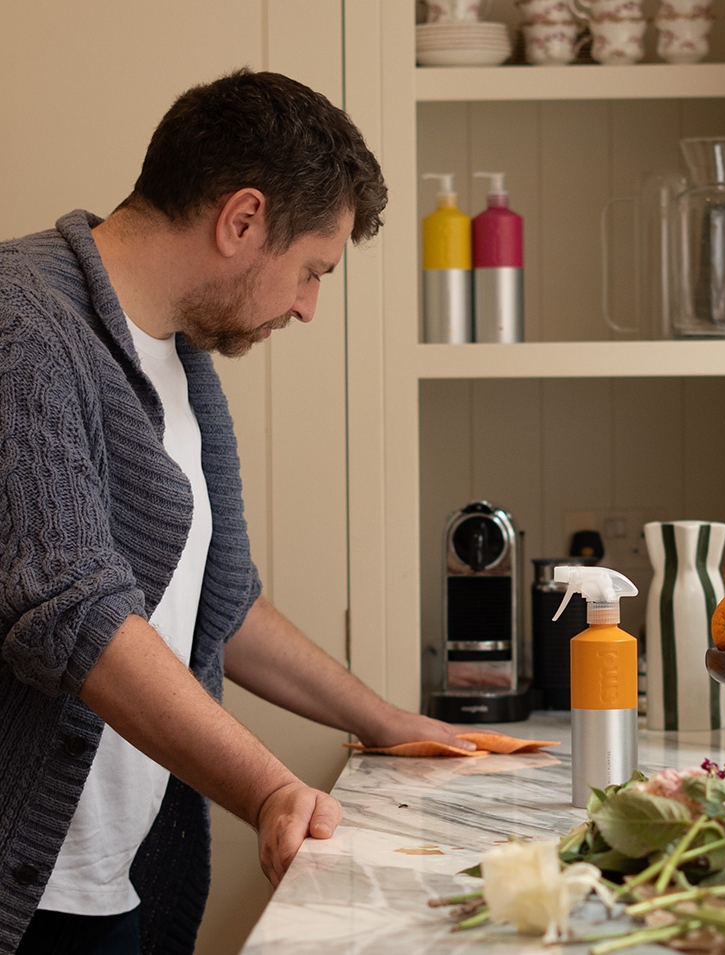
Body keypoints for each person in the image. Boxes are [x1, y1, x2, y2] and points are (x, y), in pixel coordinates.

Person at [0, 68, 473, 955]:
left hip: (115, 874)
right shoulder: (22, 328)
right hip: (27, 890)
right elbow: (73, 613)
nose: (305, 304)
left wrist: (380, 721)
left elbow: (228, 604)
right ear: (243, 218)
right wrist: (268, 788)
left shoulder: (182, 355)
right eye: (310, 270)